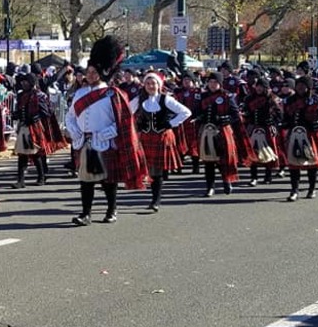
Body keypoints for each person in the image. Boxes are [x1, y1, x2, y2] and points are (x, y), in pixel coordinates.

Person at [65, 36, 150, 225]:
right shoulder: (79, 93)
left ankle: (112, 210)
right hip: (84, 142)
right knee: (85, 180)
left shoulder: (113, 94)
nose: (91, 75)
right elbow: (70, 116)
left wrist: (105, 134)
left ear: (102, 73)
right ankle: (85, 214)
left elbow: (122, 122)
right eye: (89, 72)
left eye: (94, 72)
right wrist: (74, 131)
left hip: (103, 142)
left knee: (107, 180)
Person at [129, 72, 191, 212]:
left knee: (157, 172)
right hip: (145, 138)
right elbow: (125, 113)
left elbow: (186, 112)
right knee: (149, 170)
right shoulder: (139, 99)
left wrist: (171, 123)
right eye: (148, 83)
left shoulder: (166, 99)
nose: (151, 86)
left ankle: (155, 200)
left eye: (154, 83)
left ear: (159, 85)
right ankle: (154, 198)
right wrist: (135, 126)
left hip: (162, 137)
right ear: (144, 85)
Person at [281, 76, 318, 201]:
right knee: (293, 164)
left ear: (308, 87)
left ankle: (311, 189)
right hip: (294, 133)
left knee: (312, 163)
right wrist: (283, 124)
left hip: (311, 135)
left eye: (303, 85)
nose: (300, 88)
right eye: (298, 85)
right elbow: (286, 118)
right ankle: (294, 190)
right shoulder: (289, 100)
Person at [197, 72, 243, 197]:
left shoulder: (227, 96)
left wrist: (227, 119)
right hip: (207, 130)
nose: (212, 85)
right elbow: (197, 112)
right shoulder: (203, 96)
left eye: (215, 82)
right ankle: (210, 187)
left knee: (223, 159)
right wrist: (199, 118)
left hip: (222, 130)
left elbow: (235, 115)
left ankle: (226, 181)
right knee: (208, 160)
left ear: (220, 83)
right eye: (210, 82)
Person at [11, 73, 52, 188]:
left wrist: (35, 118)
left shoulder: (39, 95)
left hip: (34, 128)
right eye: (22, 81)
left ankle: (42, 177)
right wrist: (16, 115)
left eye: (26, 81)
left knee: (36, 154)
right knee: (22, 155)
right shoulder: (21, 95)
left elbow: (46, 112)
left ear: (31, 83)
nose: (23, 83)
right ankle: (20, 180)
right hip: (23, 127)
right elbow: (21, 110)